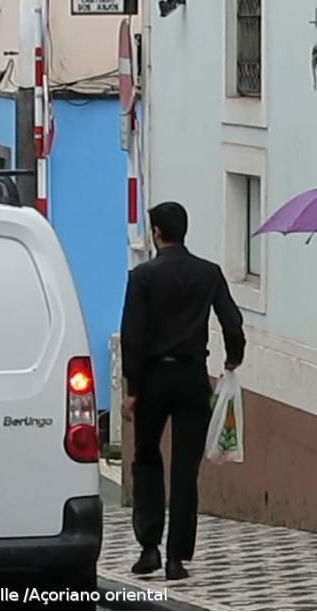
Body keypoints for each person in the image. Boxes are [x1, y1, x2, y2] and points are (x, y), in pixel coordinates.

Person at [120, 201, 246, 581]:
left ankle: (149, 547)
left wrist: (132, 388)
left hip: (155, 378)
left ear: (157, 233)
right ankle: (177, 558)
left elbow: (133, 335)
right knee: (185, 468)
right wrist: (233, 359)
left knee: (146, 457)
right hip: (193, 377)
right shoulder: (209, 274)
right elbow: (232, 321)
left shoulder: (143, 277)